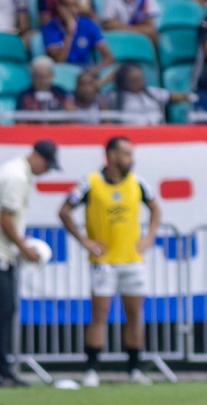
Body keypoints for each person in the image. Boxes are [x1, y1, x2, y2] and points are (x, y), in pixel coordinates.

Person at [59, 136, 160, 387]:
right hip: (103, 261)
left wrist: (148, 237)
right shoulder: (90, 183)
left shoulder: (138, 183)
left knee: (134, 314)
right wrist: (84, 240)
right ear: (112, 155)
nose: (131, 159)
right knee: (100, 314)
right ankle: (92, 369)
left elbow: (156, 208)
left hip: (132, 259)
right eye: (126, 153)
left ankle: (134, 368)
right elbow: (64, 210)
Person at [0, 140, 59, 387]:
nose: (47, 171)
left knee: (4, 311)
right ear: (37, 157)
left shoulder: (14, 170)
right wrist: (24, 248)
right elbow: (6, 219)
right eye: (48, 165)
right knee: (2, 311)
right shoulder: (17, 177)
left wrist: (18, 244)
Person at [43, 0, 114, 68]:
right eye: (67, 5)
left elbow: (109, 57)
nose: (72, 9)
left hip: (84, 69)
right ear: (59, 7)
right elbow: (59, 61)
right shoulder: (50, 28)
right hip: (62, 71)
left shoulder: (88, 24)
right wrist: (69, 33)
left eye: (74, 5)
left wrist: (92, 71)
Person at [108, 61, 185, 123]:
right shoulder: (114, 97)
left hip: (158, 130)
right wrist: (104, 81)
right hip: (132, 132)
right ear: (123, 81)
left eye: (140, 79)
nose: (139, 83)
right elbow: (99, 101)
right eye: (134, 80)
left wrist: (189, 96)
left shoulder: (151, 92)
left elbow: (173, 96)